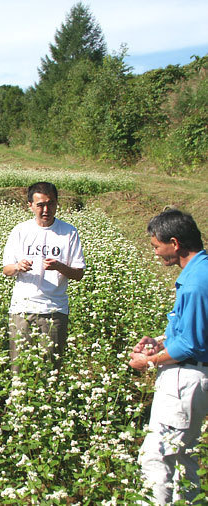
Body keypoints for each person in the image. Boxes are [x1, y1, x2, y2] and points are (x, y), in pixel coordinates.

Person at [128, 209, 208, 504]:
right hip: (190, 377)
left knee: (157, 458)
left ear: (174, 243)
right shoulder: (201, 272)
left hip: (184, 381)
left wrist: (146, 361)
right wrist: (159, 341)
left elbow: (189, 345)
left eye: (156, 246)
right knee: (183, 459)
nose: (155, 253)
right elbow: (193, 329)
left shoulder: (197, 283)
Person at [2, 182, 85, 371]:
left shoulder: (69, 232)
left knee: (50, 370)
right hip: (22, 309)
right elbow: (6, 269)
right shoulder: (20, 231)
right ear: (30, 205)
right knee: (19, 368)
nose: (46, 210)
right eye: (40, 205)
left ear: (57, 204)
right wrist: (18, 267)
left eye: (51, 204)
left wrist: (59, 266)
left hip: (55, 310)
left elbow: (78, 274)